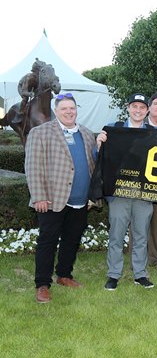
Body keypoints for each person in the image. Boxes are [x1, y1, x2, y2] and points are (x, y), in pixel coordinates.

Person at [25, 93, 96, 303]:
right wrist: (39, 196)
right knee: (47, 241)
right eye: (64, 108)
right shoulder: (40, 133)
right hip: (52, 199)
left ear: (76, 110)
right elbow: (32, 167)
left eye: (72, 108)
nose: (68, 112)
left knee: (72, 240)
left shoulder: (86, 133)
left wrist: (92, 196)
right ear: (56, 111)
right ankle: (42, 284)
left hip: (80, 200)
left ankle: (64, 275)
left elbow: (92, 166)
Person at [97, 93, 155, 290]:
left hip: (144, 193)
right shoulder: (114, 129)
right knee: (117, 234)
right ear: (128, 108)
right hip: (119, 192)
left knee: (141, 234)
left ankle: (140, 274)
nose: (138, 110)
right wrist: (99, 143)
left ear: (147, 111)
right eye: (134, 106)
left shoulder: (154, 132)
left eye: (142, 107)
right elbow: (101, 157)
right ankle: (114, 274)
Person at [130, 92, 157, 271]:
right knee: (137, 222)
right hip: (138, 182)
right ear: (149, 108)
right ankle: (136, 260)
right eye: (156, 104)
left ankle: (156, 258)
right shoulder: (138, 126)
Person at [13, 58, 46, 123]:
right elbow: (24, 92)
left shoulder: (40, 78)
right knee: (25, 98)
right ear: (36, 70)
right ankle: (20, 113)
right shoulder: (29, 77)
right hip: (23, 88)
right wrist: (29, 94)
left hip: (32, 88)